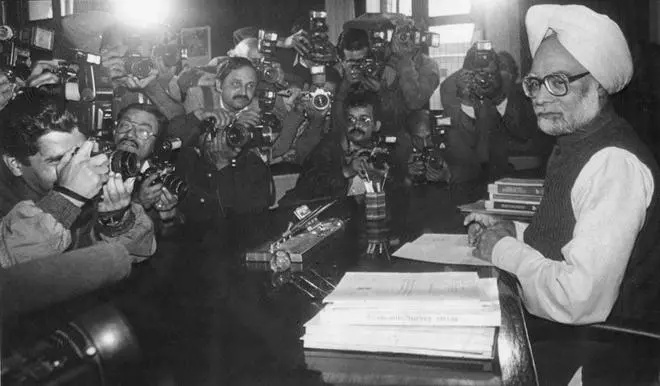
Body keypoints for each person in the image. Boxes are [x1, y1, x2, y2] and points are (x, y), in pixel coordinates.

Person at [0, 89, 156, 267]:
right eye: (57, 160)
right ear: (15, 164)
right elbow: (10, 264)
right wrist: (66, 199)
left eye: (78, 154)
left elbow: (135, 256)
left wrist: (116, 220)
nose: (76, 169)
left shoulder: (90, 187)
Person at [443, 44, 543, 204]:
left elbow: (522, 131)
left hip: (498, 168)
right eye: (477, 69)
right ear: (466, 68)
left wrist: (498, 96)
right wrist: (466, 99)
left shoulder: (502, 81)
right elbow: (464, 137)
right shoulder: (452, 85)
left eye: (489, 70)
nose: (483, 76)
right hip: (465, 170)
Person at [285, 90, 409, 201]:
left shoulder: (385, 147)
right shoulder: (329, 146)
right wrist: (346, 171)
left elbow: (402, 190)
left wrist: (381, 176)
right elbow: (305, 188)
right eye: (351, 119)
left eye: (364, 120)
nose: (356, 125)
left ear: (376, 126)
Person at [334, 21, 440, 136]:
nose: (406, 40)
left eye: (412, 35)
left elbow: (409, 106)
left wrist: (381, 90)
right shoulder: (381, 56)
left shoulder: (427, 66)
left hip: (397, 130)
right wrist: (345, 85)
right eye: (402, 35)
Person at [112, 103, 180, 234]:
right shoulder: (91, 168)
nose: (130, 134)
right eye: (125, 125)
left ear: (156, 144)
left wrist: (167, 219)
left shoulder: (160, 181)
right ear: (114, 131)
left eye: (143, 131)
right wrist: (138, 203)